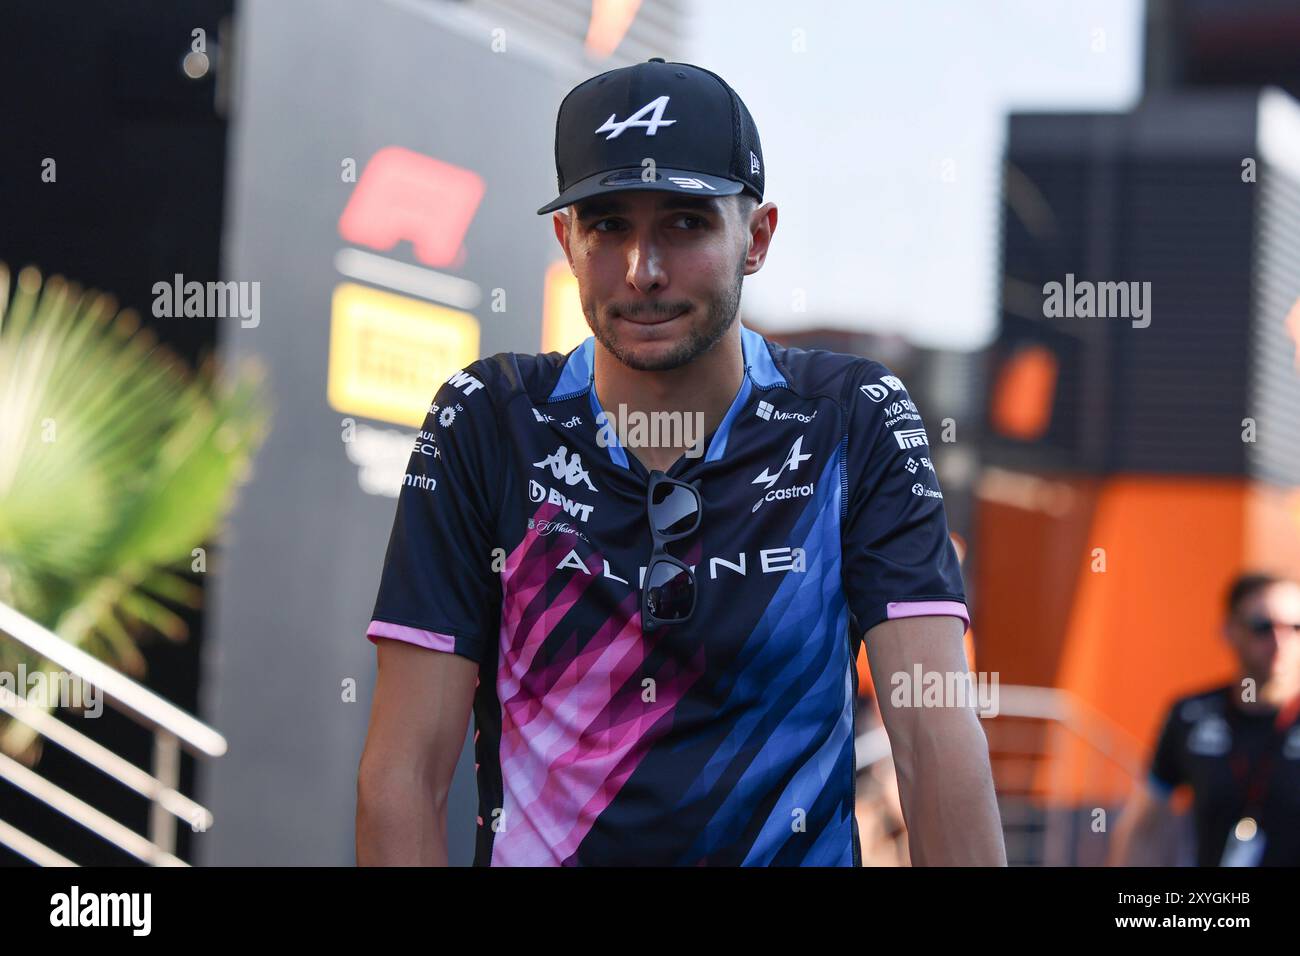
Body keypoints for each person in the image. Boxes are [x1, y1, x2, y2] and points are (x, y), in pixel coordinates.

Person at [355, 58, 1005, 866]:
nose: (643, 270)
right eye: (608, 225)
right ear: (566, 238)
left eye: (686, 224)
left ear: (756, 237)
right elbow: (402, 775)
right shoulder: (489, 420)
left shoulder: (851, 419)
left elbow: (935, 740)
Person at [1109, 572, 1300, 866]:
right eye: (1263, 627)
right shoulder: (1191, 715)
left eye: (1295, 627)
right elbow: (1143, 829)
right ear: (1229, 630)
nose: (1280, 641)